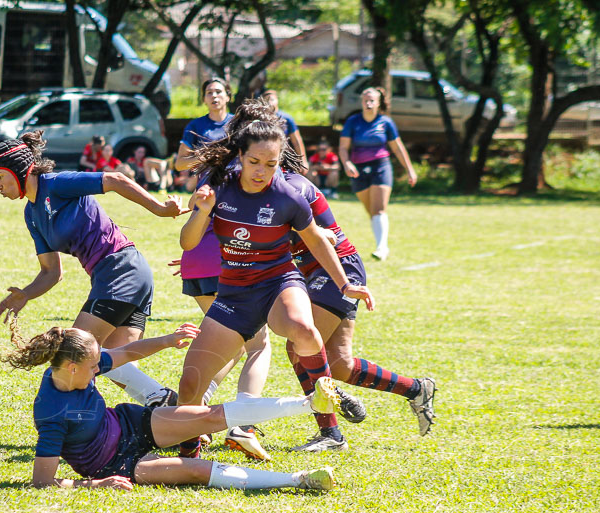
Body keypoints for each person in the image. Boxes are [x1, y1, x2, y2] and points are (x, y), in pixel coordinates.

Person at [176, 99, 374, 459]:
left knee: (303, 328)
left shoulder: (288, 195)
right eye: (254, 162)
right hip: (234, 292)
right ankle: (189, 453)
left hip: (280, 280)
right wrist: (201, 212)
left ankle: (326, 412)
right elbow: (188, 243)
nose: (261, 171)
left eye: (270, 164)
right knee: (190, 382)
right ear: (239, 155)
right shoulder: (218, 185)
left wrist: (345, 284)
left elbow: (316, 238)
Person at [3, 319, 340, 491]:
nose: (99, 370)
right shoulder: (50, 411)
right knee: (193, 470)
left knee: (210, 416)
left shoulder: (77, 366)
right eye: (94, 368)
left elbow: (126, 354)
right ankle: (298, 480)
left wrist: (166, 340)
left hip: (129, 423)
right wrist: (95, 485)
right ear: (72, 368)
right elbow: (42, 483)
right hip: (115, 464)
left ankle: (309, 403)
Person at [0, 131, 187, 408]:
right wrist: (26, 294)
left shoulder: (56, 184)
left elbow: (115, 180)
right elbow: (51, 272)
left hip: (121, 268)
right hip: (116, 275)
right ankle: (167, 406)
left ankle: (82, 426)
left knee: (75, 354)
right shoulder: (32, 215)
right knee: (109, 361)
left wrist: (160, 209)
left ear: (20, 170)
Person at [283, 171, 436, 449]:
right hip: (318, 269)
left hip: (335, 268)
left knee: (299, 348)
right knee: (340, 365)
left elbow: (318, 236)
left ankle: (331, 434)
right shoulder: (261, 185)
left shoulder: (290, 186)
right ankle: (416, 389)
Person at [173, 79, 273, 459]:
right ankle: (242, 424)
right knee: (258, 344)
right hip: (226, 262)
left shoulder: (213, 162)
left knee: (228, 346)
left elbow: (197, 209)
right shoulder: (253, 168)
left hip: (195, 261)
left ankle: (195, 417)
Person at [339, 87, 418, 261]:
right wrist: (347, 163)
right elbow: (343, 148)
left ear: (378, 103)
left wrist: (410, 170)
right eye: (365, 100)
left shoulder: (386, 122)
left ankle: (381, 248)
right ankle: (382, 244)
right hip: (358, 169)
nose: (368, 103)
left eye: (372, 100)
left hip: (381, 166)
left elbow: (397, 147)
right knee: (372, 212)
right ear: (361, 102)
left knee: (379, 209)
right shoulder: (353, 122)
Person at [260, 89, 306, 159]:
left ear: (277, 100)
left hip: (282, 156)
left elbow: (296, 140)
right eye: (266, 100)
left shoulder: (286, 118)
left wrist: (303, 160)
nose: (269, 102)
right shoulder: (260, 118)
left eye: (272, 99)